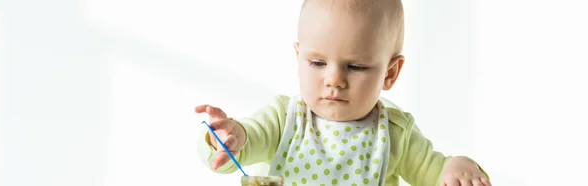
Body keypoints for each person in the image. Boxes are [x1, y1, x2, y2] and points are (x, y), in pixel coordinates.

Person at [195, 0, 491, 185]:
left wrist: (457, 167)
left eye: (356, 66)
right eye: (317, 63)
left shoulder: (395, 134)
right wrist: (227, 139)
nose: (334, 79)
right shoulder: (283, 119)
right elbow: (247, 142)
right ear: (299, 58)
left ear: (389, 73)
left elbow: (434, 173)